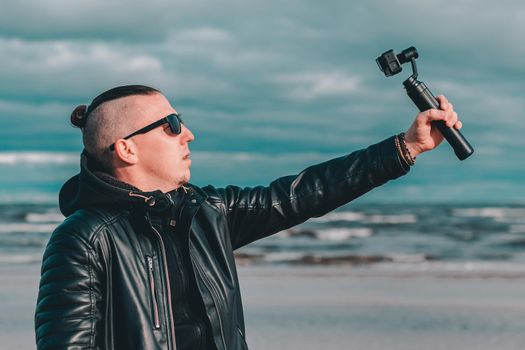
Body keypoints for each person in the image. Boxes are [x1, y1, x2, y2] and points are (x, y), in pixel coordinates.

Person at [34, 85, 461, 350]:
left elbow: (300, 195)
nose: (188, 133)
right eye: (171, 124)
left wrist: (406, 147)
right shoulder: (85, 239)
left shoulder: (205, 212)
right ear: (127, 149)